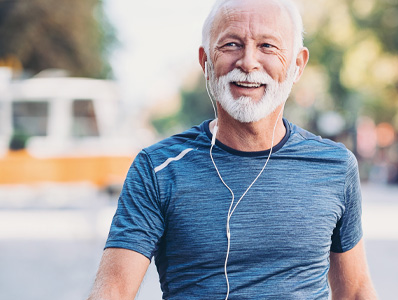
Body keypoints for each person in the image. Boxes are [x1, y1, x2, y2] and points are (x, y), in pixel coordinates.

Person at [88, 0, 377, 299]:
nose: (248, 62)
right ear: (205, 62)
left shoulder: (335, 166)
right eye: (231, 44)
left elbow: (355, 291)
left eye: (267, 46)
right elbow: (115, 289)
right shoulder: (157, 168)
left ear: (297, 65)